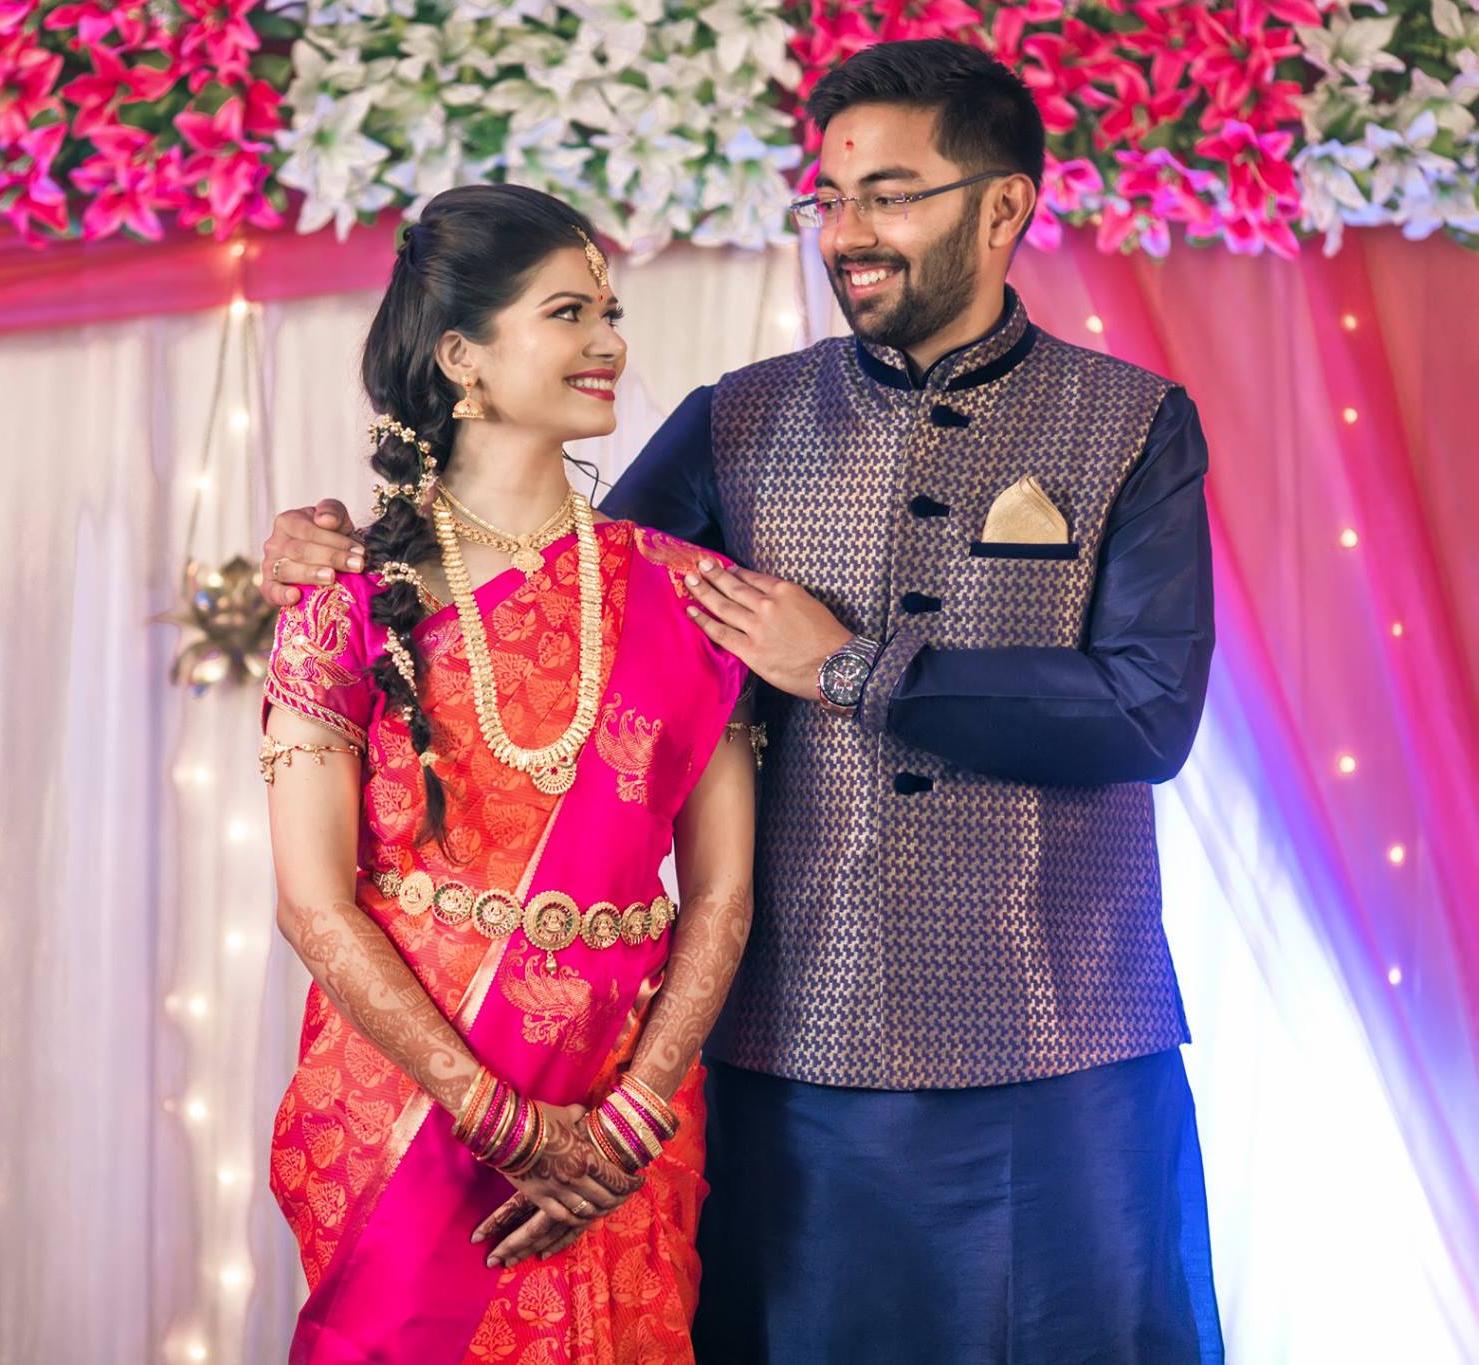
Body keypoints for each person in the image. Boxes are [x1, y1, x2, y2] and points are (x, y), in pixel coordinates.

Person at [262, 40, 1224, 1365]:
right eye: (829, 200)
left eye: (890, 193)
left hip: (1065, 1041)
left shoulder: (1131, 422)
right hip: (792, 1048)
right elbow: (544, 593)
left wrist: (852, 665)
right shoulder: (740, 423)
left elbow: (1149, 712)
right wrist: (343, 554)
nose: (850, 234)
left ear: (1004, 206)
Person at [260, 182, 759, 1363]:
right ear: (460, 356)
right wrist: (500, 1120)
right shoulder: (340, 598)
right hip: (411, 1107)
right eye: (567, 313)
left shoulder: (686, 595)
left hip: (624, 1113)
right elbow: (311, 899)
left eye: (610, 311)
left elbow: (722, 892)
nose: (608, 343)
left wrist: (625, 1121)